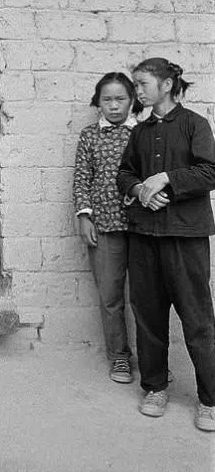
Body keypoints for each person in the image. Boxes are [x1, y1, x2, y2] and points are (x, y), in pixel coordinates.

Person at [116, 58, 215, 431]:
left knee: (198, 320)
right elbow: (125, 174)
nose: (137, 91)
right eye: (135, 85)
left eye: (142, 84)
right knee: (149, 316)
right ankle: (155, 387)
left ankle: (210, 400)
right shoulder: (139, 133)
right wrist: (141, 188)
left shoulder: (194, 125)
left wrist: (165, 179)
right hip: (144, 238)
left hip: (185, 239)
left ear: (168, 85)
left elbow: (211, 171)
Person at [73, 72, 138, 384]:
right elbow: (81, 178)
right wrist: (85, 216)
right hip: (104, 227)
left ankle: (153, 359)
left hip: (142, 229)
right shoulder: (89, 136)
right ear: (97, 103)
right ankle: (120, 356)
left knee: (145, 297)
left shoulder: (142, 133)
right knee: (110, 296)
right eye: (107, 100)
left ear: (132, 100)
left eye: (120, 99)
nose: (114, 106)